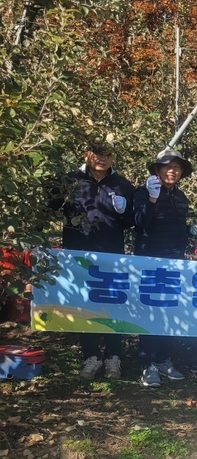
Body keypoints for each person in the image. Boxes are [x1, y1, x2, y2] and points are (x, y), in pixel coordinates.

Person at [47, 136, 135, 380]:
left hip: (111, 256)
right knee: (84, 304)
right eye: (97, 153)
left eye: (107, 154)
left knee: (112, 304)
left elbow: (131, 222)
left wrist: (124, 210)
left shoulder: (122, 185)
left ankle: (114, 356)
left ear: (113, 158)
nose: (101, 158)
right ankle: (91, 356)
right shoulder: (71, 180)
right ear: (86, 153)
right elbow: (49, 207)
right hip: (78, 255)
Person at [133, 149, 191, 387]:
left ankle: (164, 358)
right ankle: (148, 363)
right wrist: (152, 200)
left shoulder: (181, 197)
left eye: (176, 167)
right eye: (167, 166)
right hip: (150, 261)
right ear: (157, 169)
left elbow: (174, 227)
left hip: (174, 262)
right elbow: (140, 223)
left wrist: (190, 231)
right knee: (150, 312)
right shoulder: (143, 192)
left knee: (169, 312)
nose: (172, 171)